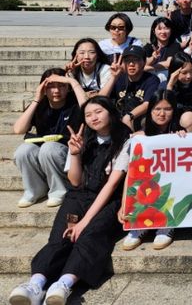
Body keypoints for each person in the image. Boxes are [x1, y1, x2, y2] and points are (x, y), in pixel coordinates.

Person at [8, 97, 131, 305]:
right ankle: (35, 284)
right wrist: (75, 154)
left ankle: (63, 284)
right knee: (60, 236)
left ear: (110, 112)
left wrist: (83, 223)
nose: (93, 118)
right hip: (79, 195)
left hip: (109, 200)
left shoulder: (125, 141)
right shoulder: (81, 139)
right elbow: (75, 181)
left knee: (90, 235)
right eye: (88, 115)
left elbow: (111, 186)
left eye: (98, 112)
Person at [121, 90, 192, 251]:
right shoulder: (140, 137)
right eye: (157, 109)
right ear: (150, 111)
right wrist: (125, 204)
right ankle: (140, 223)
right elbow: (131, 173)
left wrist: (183, 138)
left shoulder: (180, 134)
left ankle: (166, 225)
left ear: (174, 110)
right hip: (147, 186)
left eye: (167, 109)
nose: (162, 114)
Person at [13, 69, 87, 208]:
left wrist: (72, 81)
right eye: (51, 86)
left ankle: (59, 191)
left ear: (68, 88)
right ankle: (34, 190)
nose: (56, 90)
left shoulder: (75, 103)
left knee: (49, 148)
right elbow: (18, 129)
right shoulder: (40, 105)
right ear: (43, 89)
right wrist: (36, 99)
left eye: (61, 85)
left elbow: (87, 109)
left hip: (70, 152)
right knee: (23, 151)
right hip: (45, 152)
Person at [98, 46, 160, 131]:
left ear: (144, 62)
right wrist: (113, 77)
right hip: (119, 116)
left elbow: (147, 104)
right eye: (127, 60)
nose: (131, 64)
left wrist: (129, 116)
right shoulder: (118, 78)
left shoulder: (151, 79)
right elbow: (99, 100)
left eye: (136, 60)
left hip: (140, 117)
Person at [165, 53, 192, 130]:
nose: (189, 76)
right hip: (171, 122)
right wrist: (170, 86)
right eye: (184, 73)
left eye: (191, 71)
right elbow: (164, 108)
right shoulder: (165, 85)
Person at [143, 17, 182, 83]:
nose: (163, 32)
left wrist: (150, 68)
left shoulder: (175, 46)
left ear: (171, 30)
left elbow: (168, 63)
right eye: (159, 29)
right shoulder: (148, 47)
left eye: (166, 28)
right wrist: (153, 58)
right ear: (154, 31)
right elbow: (143, 64)